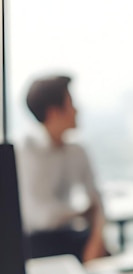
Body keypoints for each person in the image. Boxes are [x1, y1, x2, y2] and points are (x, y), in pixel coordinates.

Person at [17, 74, 108, 263]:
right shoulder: (26, 151)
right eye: (70, 103)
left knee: (107, 258)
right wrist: (81, 211)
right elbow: (41, 216)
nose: (76, 110)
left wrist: (97, 240)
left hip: (69, 235)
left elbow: (97, 200)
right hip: (37, 243)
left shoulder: (77, 151)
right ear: (53, 112)